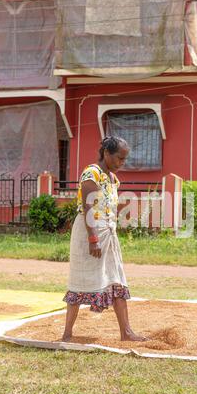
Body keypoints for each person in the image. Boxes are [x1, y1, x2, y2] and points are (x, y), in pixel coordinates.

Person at [62, 136, 147, 342]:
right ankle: (67, 334)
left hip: (108, 234)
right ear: (106, 153)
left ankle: (126, 332)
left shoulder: (112, 178)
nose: (121, 163)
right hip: (88, 233)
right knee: (80, 279)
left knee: (117, 279)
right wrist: (92, 238)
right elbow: (88, 206)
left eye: (124, 160)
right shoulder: (92, 173)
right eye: (119, 158)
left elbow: (108, 207)